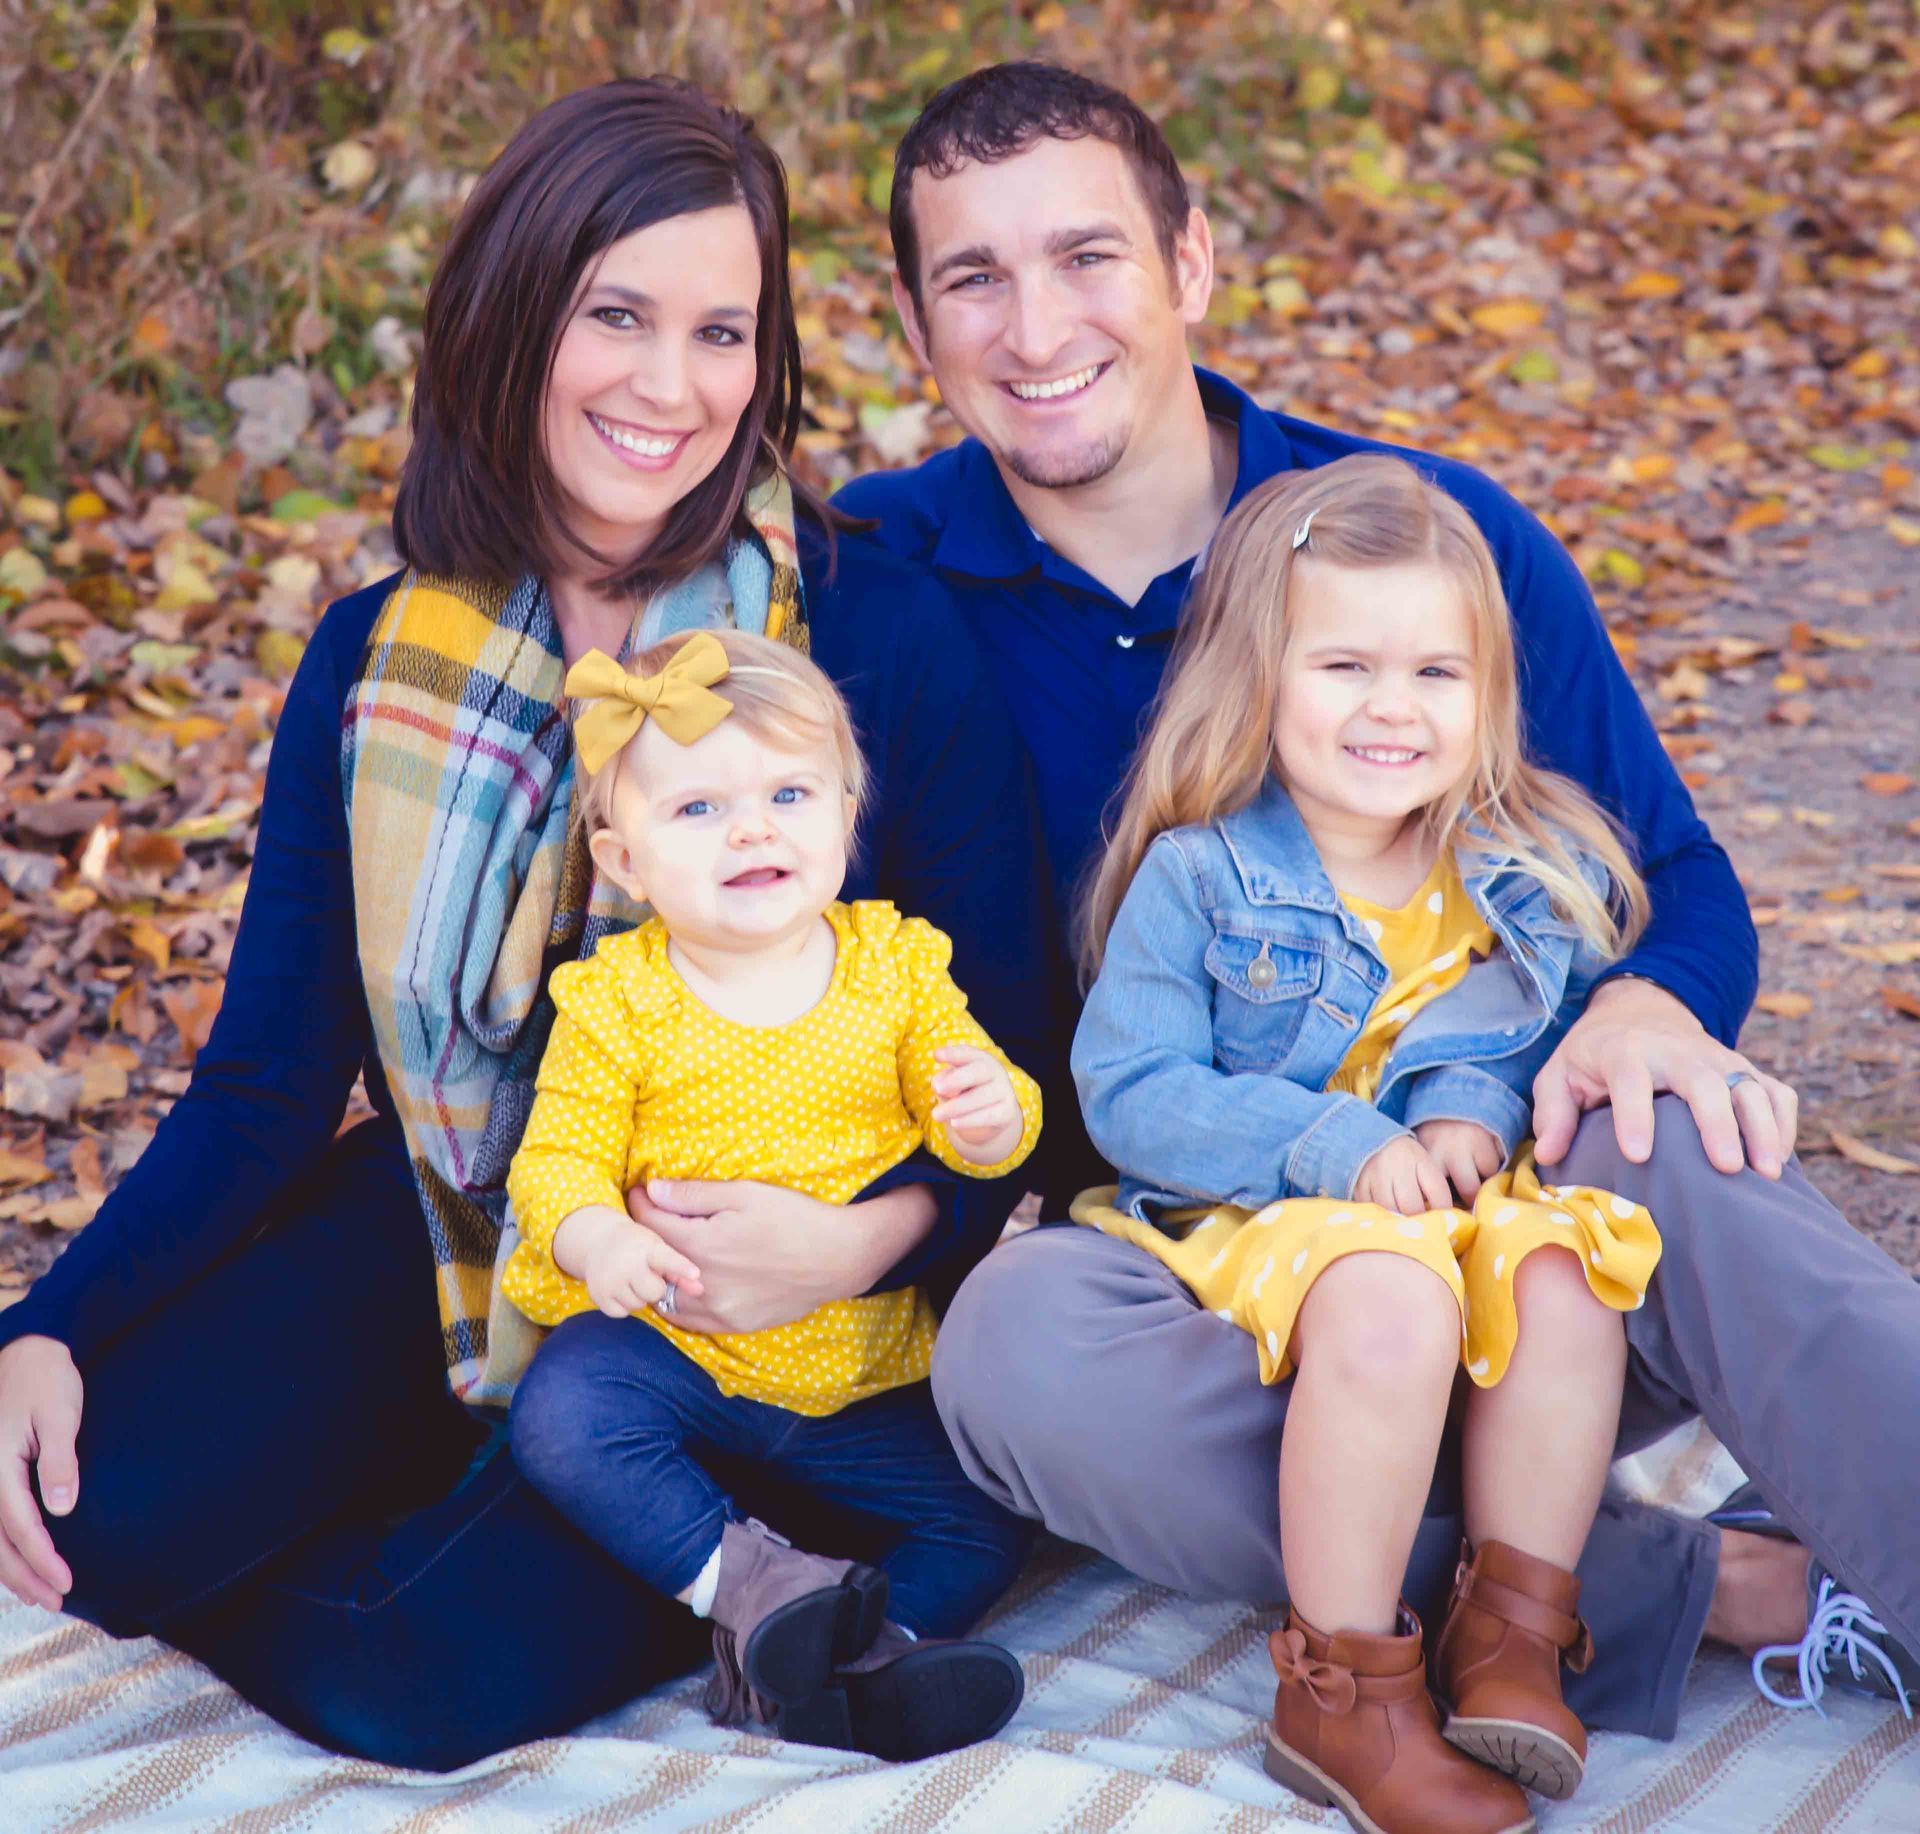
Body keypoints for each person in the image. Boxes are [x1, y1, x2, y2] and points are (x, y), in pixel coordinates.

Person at [838, 59, 1920, 1742]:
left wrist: (1646, 1002)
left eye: (1087, 255)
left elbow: (1680, 886)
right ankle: (1711, 1585)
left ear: (1190, 263)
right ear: (915, 326)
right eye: (973, 274)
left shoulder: (1426, 543)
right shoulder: (882, 582)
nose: (1033, 321)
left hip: (1526, 1257)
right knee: (1013, 1346)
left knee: (1657, 1113)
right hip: (1221, 1280)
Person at [0, 79, 1052, 1769]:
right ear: (507, 317)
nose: (670, 385)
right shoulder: (374, 652)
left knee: (404, 1674)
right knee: (92, 1515)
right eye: (614, 314)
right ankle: (405, 1450)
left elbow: (1013, 1042)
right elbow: (274, 1072)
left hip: (739, 1300)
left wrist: (867, 1237)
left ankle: (680, 1568)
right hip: (458, 1204)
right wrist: (49, 1319)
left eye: (723, 331)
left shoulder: (864, 627)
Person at [1074, 454, 1664, 1832]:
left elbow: (1527, 1036)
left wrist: (1474, 1106)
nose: (1392, 709)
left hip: (1441, 1203)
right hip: (1256, 1204)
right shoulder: (1201, 872)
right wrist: (1338, 1142)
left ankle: (1513, 1623)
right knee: (1394, 1295)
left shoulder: (1523, 872)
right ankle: (1344, 1686)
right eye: (1344, 665)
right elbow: (1131, 1085)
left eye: (1436, 675)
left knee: (1570, 1267)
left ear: (1488, 697)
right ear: (1259, 677)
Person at [502, 627, 1036, 1756]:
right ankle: (752, 1591)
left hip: (863, 1364)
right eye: (696, 809)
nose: (752, 827)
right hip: (681, 1353)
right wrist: (597, 1238)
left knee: (986, 1512)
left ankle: (868, 1655)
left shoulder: (900, 964)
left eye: (790, 793)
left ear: (846, 819)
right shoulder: (616, 1002)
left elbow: (980, 1125)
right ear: (624, 862)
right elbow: (558, 1161)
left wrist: (994, 1115)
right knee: (565, 1416)